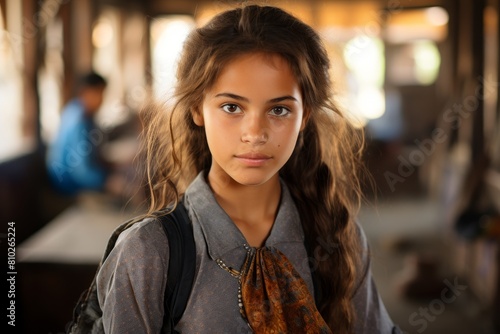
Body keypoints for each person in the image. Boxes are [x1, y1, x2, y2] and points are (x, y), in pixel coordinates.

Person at [97, 5, 399, 333]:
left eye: (280, 109)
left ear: (305, 116)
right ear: (198, 108)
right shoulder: (150, 251)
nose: (255, 133)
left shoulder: (337, 235)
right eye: (232, 107)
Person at [46, 71, 110, 196]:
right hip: (68, 186)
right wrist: (106, 181)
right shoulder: (79, 121)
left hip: (71, 180)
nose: (102, 99)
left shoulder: (74, 109)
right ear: (85, 92)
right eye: (99, 93)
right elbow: (81, 172)